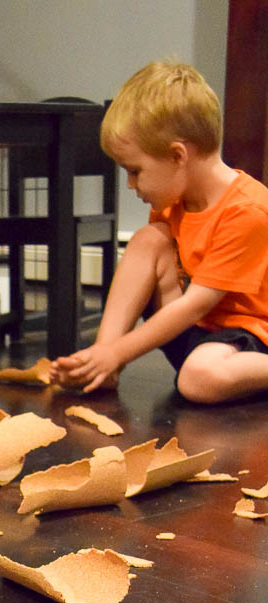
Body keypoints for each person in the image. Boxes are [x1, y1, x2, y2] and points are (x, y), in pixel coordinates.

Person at [51, 59, 268, 404]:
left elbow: (195, 306)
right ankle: (102, 364)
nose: (131, 184)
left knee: (198, 380)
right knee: (147, 239)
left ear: (177, 155)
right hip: (198, 336)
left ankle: (110, 358)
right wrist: (105, 356)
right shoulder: (171, 201)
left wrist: (122, 351)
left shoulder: (249, 211)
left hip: (247, 338)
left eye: (135, 171)